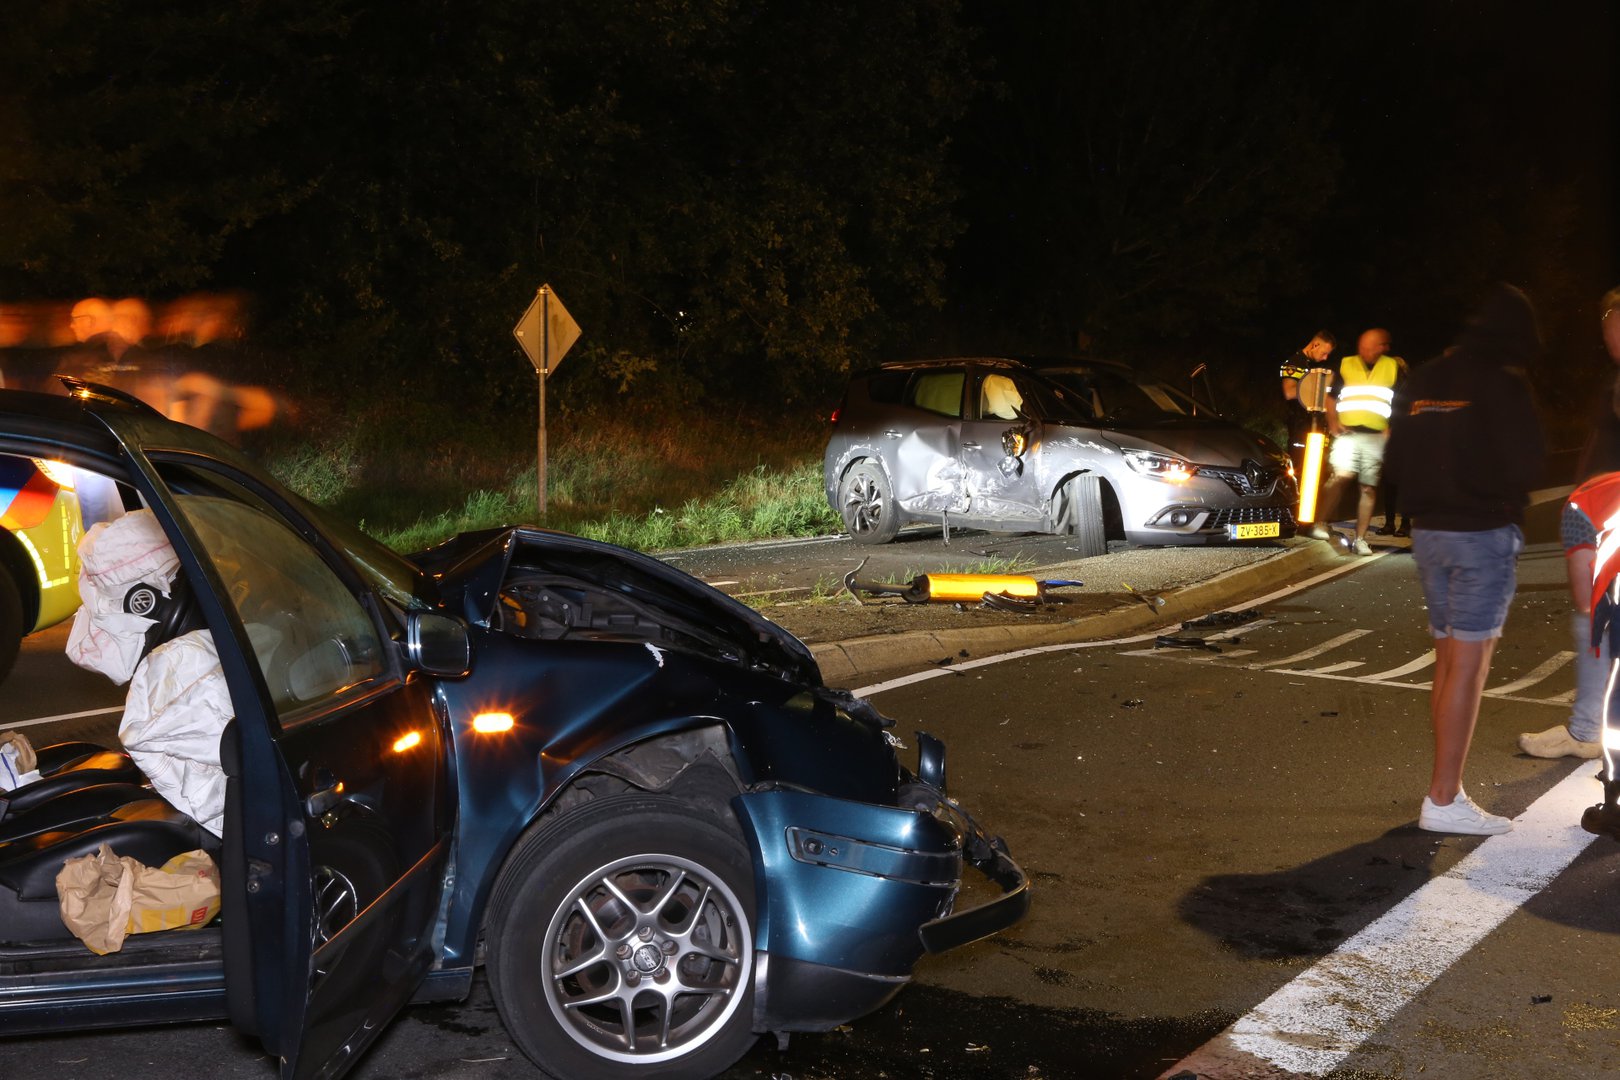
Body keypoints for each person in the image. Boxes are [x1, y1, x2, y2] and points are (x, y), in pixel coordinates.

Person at [1385, 284, 1546, 835]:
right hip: (1481, 533)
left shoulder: (1424, 377)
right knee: (1470, 667)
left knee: (1449, 660)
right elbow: (1528, 463)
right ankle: (1443, 796)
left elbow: (1394, 455)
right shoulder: (1503, 383)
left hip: (1429, 531)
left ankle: (1444, 792)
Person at [1519, 284, 1620, 759]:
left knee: (1594, 618)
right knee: (1597, 620)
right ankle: (1587, 726)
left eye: (1608, 319)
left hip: (1609, 515)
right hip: (1600, 510)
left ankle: (1586, 730)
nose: (1605, 332)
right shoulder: (1614, 376)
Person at [1306, 328, 1401, 555]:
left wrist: (1392, 429)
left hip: (1376, 436)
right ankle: (1320, 522)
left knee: (1368, 487)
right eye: (1362, 347)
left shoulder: (1392, 367)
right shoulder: (1347, 364)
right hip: (1348, 433)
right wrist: (1333, 421)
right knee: (1341, 475)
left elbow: (1400, 400)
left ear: (1382, 347)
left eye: (1370, 348)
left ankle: (1360, 539)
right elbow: (1330, 396)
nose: (1364, 352)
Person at [1278, 330, 1336, 485]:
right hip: (1298, 428)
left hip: (1311, 429)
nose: (1325, 358)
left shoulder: (1309, 366)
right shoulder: (1294, 363)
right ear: (1315, 344)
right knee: (1299, 474)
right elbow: (1289, 392)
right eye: (1324, 353)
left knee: (1313, 477)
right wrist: (1317, 391)